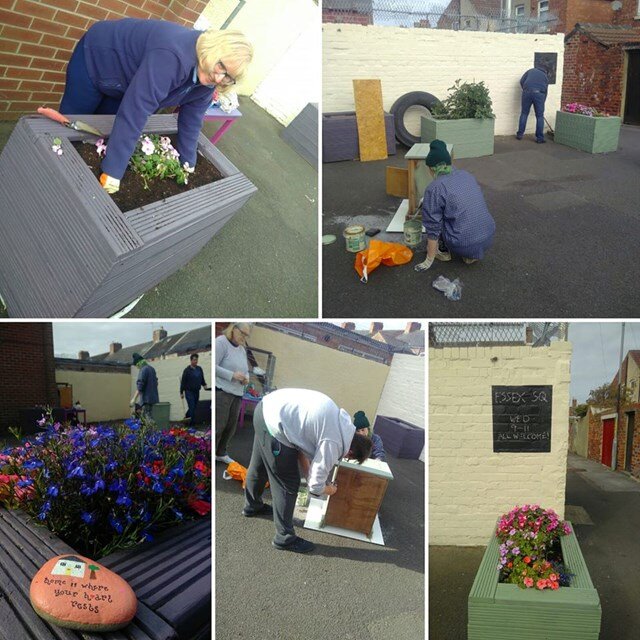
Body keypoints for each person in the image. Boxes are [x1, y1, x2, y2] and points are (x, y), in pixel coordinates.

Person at [59, 19, 253, 194]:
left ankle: (69, 185)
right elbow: (136, 110)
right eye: (221, 67)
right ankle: (52, 172)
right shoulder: (173, 55)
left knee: (98, 131)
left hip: (125, 82)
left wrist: (188, 162)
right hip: (97, 57)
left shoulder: (207, 82)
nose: (219, 78)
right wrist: (113, 171)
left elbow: (192, 120)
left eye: (228, 77)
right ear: (214, 50)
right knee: (72, 123)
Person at [243, 389, 373, 554]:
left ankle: (252, 506)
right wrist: (329, 490)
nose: (344, 458)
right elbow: (315, 487)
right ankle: (284, 539)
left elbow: (300, 447)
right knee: (287, 485)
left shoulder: (341, 424)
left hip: (265, 409)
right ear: (351, 452)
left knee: (259, 464)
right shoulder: (334, 442)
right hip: (275, 423)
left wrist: (310, 474)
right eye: (348, 458)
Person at [415, 140, 496, 272]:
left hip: (463, 243)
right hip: (488, 236)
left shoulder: (434, 188)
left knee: (435, 215)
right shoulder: (466, 175)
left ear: (431, 168)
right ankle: (471, 255)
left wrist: (429, 259)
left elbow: (432, 226)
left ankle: (443, 251)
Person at [215, 323, 251, 464]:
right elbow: (214, 366)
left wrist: (246, 378)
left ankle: (221, 452)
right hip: (223, 391)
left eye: (247, 335)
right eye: (243, 333)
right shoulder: (221, 342)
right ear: (234, 329)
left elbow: (245, 369)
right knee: (219, 425)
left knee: (231, 426)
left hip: (237, 393)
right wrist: (232, 375)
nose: (244, 337)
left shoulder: (242, 349)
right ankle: (211, 453)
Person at [516, 65, 550, 144]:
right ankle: (540, 138)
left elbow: (521, 81)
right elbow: (545, 91)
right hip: (539, 95)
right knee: (539, 116)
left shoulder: (530, 71)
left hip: (526, 93)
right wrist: (542, 102)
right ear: (546, 71)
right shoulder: (545, 77)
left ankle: (520, 135)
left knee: (524, 113)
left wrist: (526, 89)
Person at [180, 353, 209, 427]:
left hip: (197, 391)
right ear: (191, 360)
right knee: (192, 407)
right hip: (189, 392)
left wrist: (204, 385)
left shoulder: (199, 369)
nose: (196, 361)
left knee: (194, 407)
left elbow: (202, 378)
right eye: (194, 360)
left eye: (197, 360)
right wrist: (181, 392)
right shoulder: (187, 370)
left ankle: (186, 418)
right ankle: (192, 424)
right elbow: (183, 382)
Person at [131, 353, 159, 421]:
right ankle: (148, 431)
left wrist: (134, 399)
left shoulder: (143, 370)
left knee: (147, 418)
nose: (137, 367)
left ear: (138, 363)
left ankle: (153, 431)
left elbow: (140, 385)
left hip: (146, 399)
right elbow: (156, 383)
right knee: (145, 416)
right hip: (153, 398)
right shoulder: (152, 369)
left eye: (136, 365)